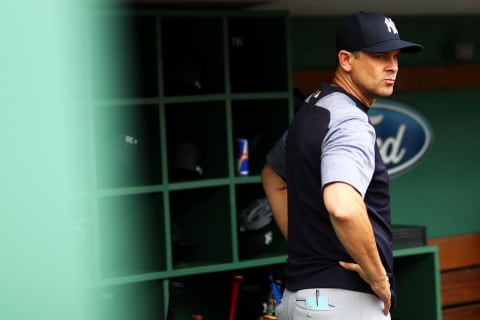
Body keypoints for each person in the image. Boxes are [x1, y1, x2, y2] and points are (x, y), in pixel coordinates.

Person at [261, 11, 422, 320]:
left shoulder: (315, 108)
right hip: (344, 304)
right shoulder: (349, 121)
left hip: (301, 299)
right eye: (379, 56)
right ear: (347, 60)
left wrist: (308, 251)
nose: (393, 66)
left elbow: (272, 177)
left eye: (396, 56)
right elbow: (342, 206)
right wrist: (379, 278)